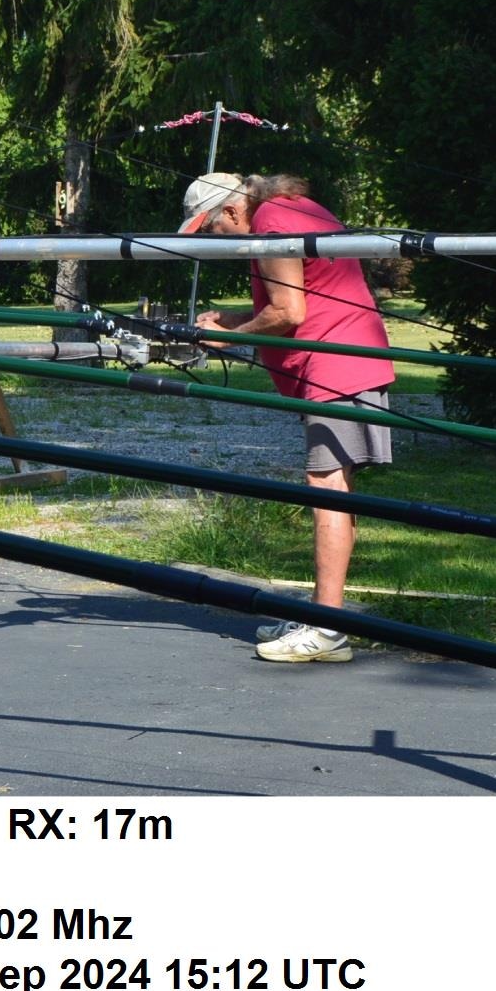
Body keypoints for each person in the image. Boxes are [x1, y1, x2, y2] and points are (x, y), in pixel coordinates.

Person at [183, 172, 394, 663]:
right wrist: (234, 321)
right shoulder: (291, 208)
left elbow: (288, 312)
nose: (216, 241)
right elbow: (304, 297)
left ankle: (327, 629)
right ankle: (324, 617)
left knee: (325, 488)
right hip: (345, 357)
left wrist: (229, 337)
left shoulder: (272, 225)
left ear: (232, 211)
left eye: (211, 229)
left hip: (338, 365)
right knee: (334, 489)